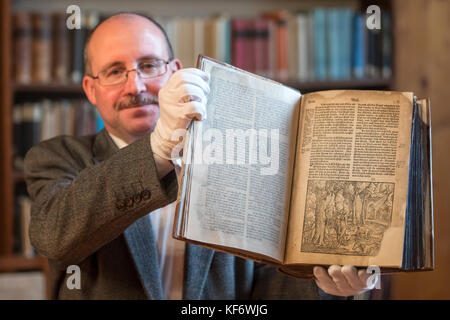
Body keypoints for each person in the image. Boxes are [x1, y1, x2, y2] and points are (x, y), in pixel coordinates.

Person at [24, 12, 376, 300]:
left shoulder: (233, 157)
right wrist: (159, 149)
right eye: (115, 71)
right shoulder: (57, 156)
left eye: (149, 65)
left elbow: (264, 287)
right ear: (90, 89)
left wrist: (325, 287)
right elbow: (55, 235)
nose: (136, 86)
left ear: (174, 70)